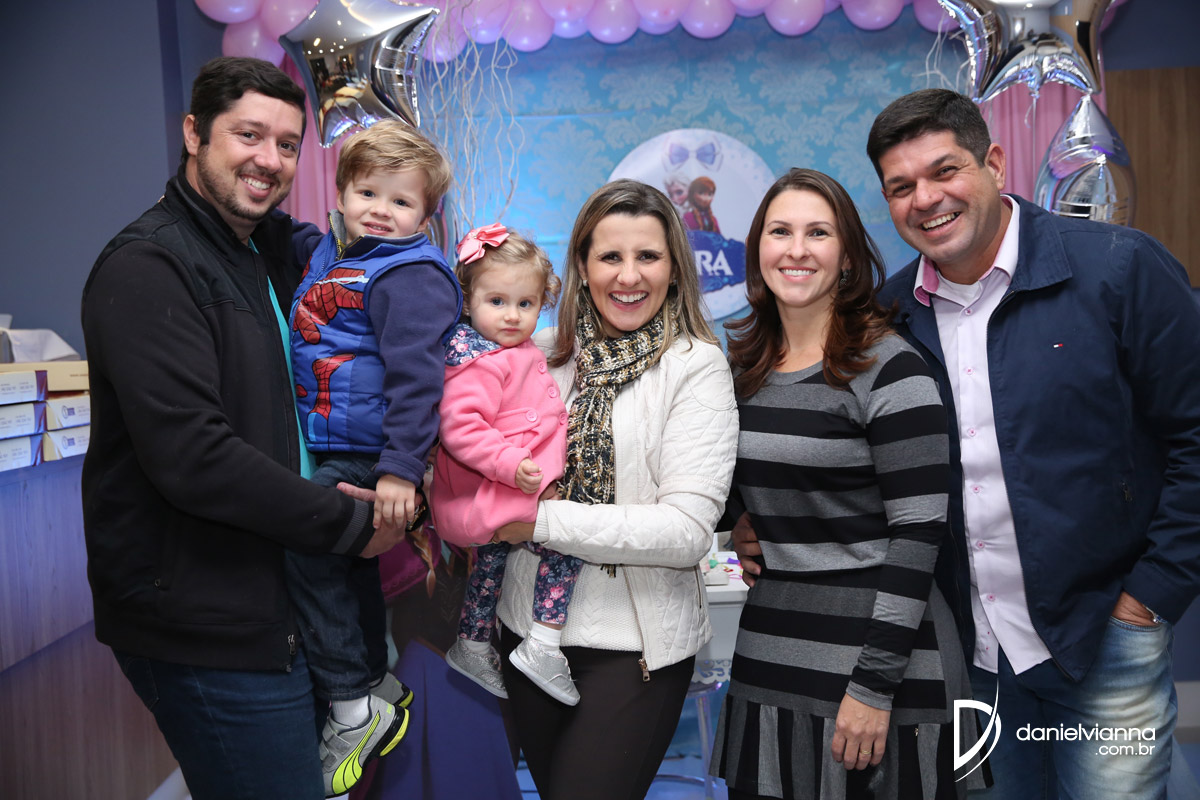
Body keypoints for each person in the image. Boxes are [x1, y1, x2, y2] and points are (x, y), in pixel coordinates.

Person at [81, 57, 407, 800]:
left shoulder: (268, 249)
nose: (270, 160)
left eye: (288, 145)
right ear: (194, 133)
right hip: (208, 620)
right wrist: (348, 524)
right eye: (249, 135)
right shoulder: (148, 266)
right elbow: (194, 458)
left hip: (288, 596)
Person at [711, 168, 983, 799]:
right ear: (757, 251)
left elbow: (919, 535)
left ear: (849, 256)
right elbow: (728, 492)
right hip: (770, 657)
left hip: (882, 668)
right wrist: (741, 523)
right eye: (780, 231)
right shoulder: (742, 373)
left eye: (818, 233)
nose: (797, 249)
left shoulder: (891, 369)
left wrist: (873, 686)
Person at [491, 179, 739, 800]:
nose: (629, 276)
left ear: (674, 268)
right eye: (610, 256)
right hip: (525, 633)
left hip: (634, 651)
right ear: (582, 266)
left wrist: (540, 522)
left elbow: (686, 531)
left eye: (648, 256)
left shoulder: (696, 365)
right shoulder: (538, 355)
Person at [285, 119, 462, 795]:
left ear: (426, 216)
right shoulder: (335, 254)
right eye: (367, 193)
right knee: (346, 563)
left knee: (305, 542)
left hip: (372, 451)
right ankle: (374, 682)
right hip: (336, 442)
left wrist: (399, 470)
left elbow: (418, 382)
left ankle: (351, 703)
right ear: (340, 194)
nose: (381, 210)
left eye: (401, 200)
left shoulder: (409, 275)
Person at [429, 225, 584, 705]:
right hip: (496, 488)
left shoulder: (512, 349)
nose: (513, 315)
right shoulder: (476, 362)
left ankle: (473, 643)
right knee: (566, 543)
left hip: (503, 487)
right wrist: (510, 463)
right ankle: (544, 643)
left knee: (491, 564)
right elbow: (461, 428)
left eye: (526, 303)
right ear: (467, 301)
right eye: (497, 301)